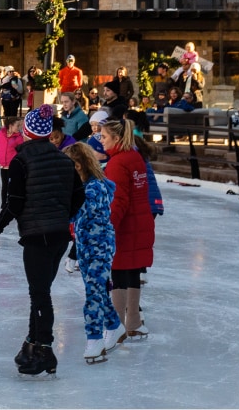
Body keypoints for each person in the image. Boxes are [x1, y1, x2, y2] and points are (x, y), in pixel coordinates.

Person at [0, 104, 85, 377]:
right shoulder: (64, 160)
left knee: (40, 293)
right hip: (59, 236)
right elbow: (79, 196)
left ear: (26, 133)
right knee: (40, 291)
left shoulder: (21, 162)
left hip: (37, 236)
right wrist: (62, 215)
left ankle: (45, 351)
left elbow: (14, 205)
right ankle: (32, 344)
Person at [62, 143, 124, 364]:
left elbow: (78, 213)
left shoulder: (94, 189)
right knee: (96, 290)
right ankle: (115, 326)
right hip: (86, 248)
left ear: (77, 166)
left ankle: (94, 339)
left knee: (93, 295)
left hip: (100, 247)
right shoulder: (82, 187)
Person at [99, 119, 155, 345]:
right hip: (139, 223)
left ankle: (118, 326)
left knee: (119, 273)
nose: (101, 141)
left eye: (104, 137)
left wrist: (107, 226)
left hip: (125, 226)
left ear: (117, 139)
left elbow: (118, 200)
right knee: (132, 272)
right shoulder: (135, 157)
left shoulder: (117, 163)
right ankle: (133, 323)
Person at [0, 117, 23, 220]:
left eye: (20, 126)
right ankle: (3, 206)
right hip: (3, 165)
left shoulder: (19, 138)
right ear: (10, 125)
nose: (19, 128)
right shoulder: (1, 134)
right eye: (18, 125)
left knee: (12, 187)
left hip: (13, 166)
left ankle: (13, 206)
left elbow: (22, 151)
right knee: (5, 186)